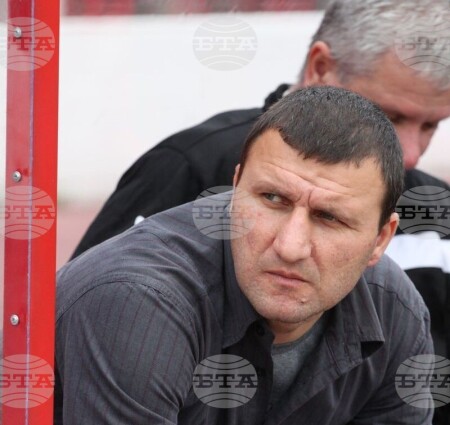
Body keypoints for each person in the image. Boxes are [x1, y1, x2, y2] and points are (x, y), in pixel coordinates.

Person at [55, 87, 434, 424]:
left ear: (380, 239)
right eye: (272, 199)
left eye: (329, 218)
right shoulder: (135, 302)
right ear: (235, 188)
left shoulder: (393, 310)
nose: (290, 247)